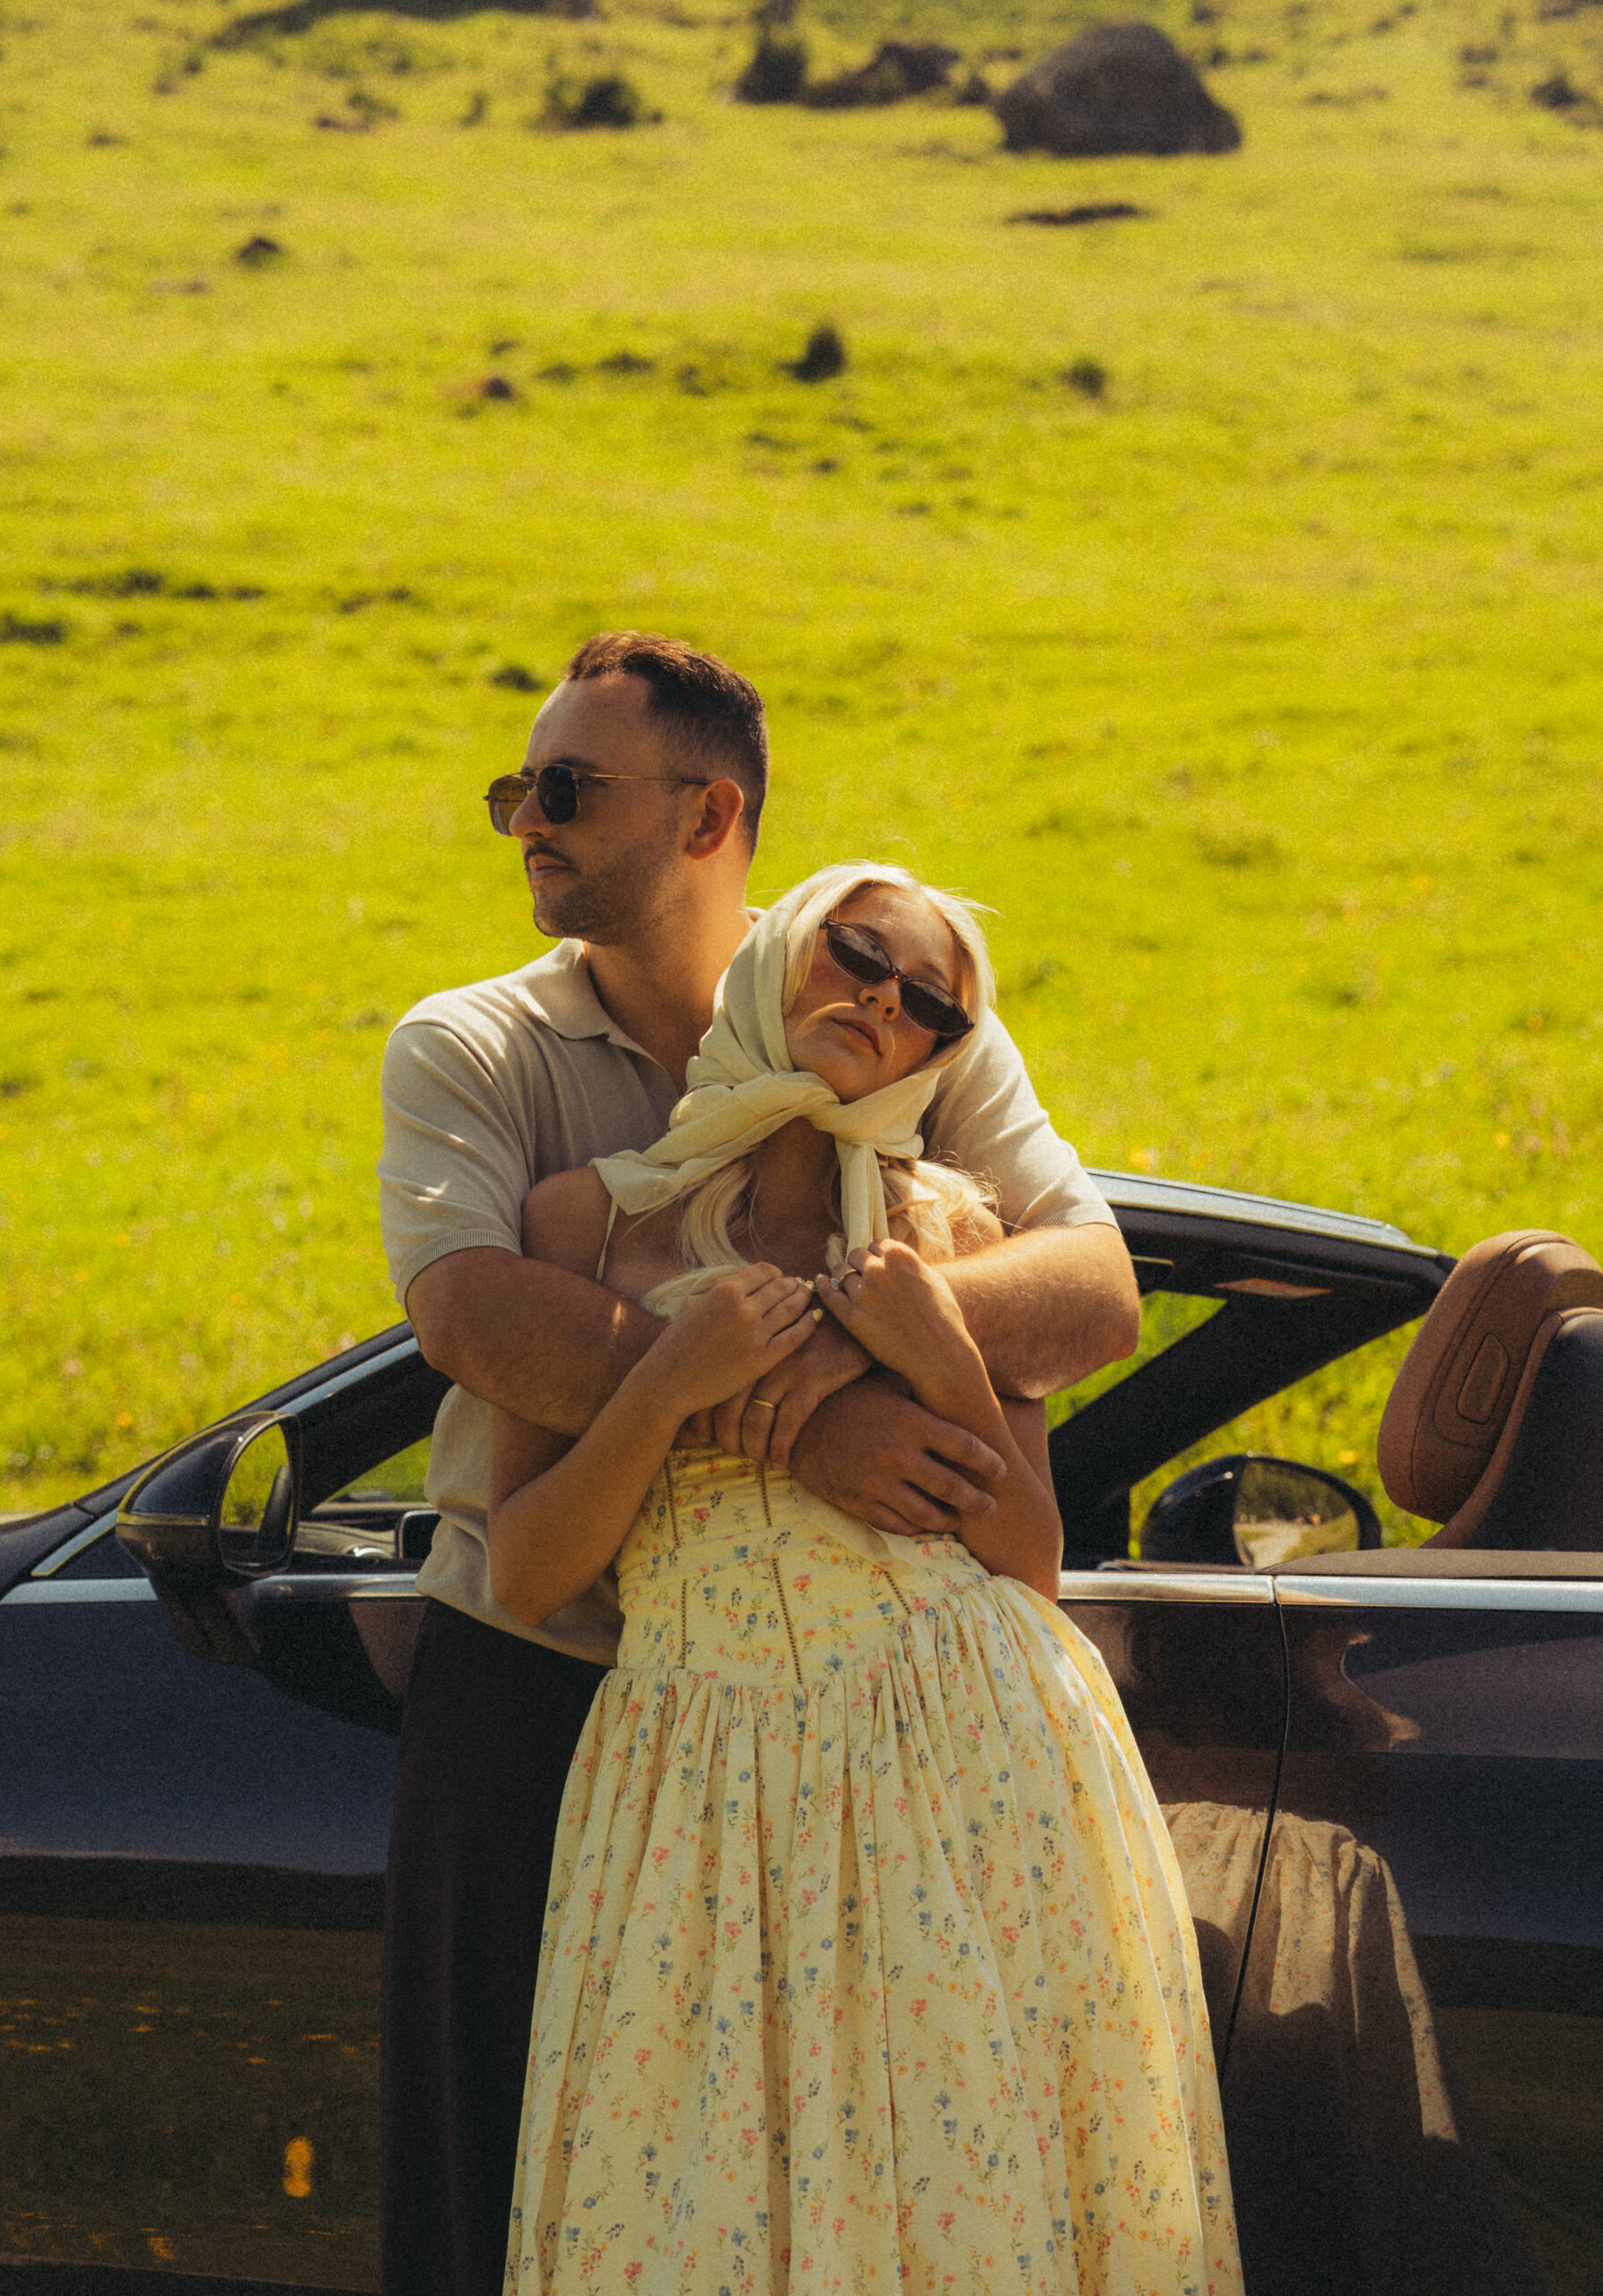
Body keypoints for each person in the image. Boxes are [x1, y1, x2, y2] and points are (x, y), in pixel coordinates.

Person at [376, 632, 1139, 2295]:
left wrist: (888, 1337)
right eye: (519, 789)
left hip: (891, 1750)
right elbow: (476, 1319)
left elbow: (1086, 1293)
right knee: (529, 2186)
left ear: (709, 811)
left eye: (566, 789)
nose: (526, 821)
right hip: (546, 1690)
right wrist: (819, 1410)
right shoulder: (476, 1047)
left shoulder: (888, 1003)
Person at [492, 862, 1240, 2295]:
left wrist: (937, 1344)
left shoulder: (949, 1228)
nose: (879, 1003)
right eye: (854, 955)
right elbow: (527, 1569)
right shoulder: (580, 1222)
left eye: (926, 1007)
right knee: (687, 2218)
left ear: (939, 1055)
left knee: (971, 2200)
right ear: (779, 953)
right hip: (693, 1777)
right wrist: (665, 1382)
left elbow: (1026, 1554)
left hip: (964, 1751)